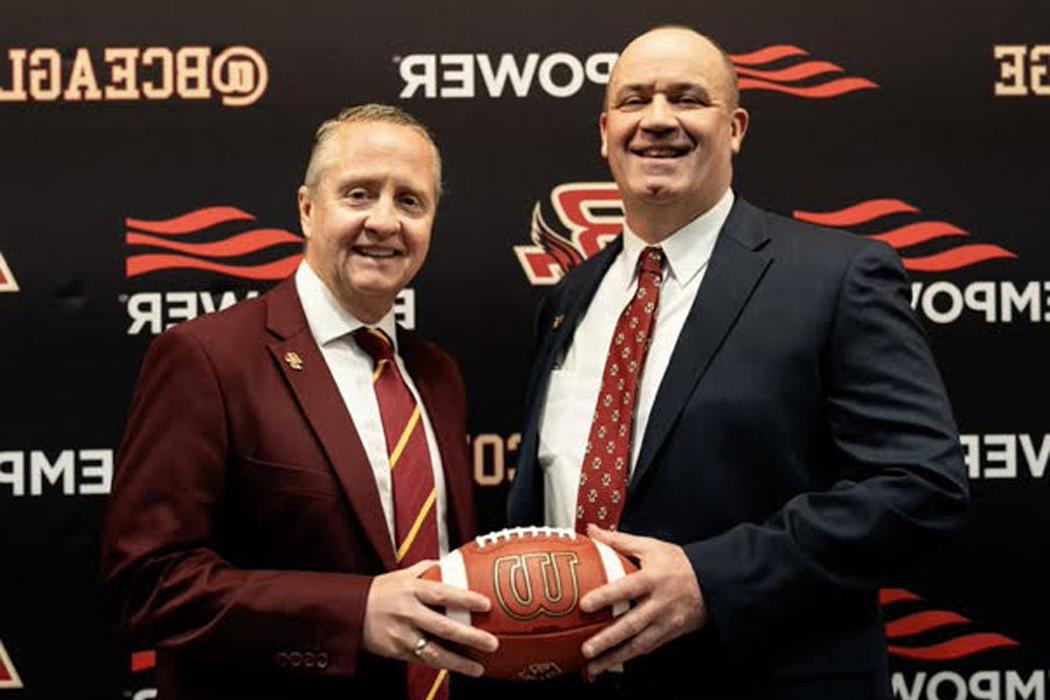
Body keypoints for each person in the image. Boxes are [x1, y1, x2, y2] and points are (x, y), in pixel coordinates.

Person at [507, 26, 968, 699]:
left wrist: (712, 579)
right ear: (606, 131)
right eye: (635, 101)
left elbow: (922, 485)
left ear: (737, 127)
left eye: (688, 99)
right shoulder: (569, 299)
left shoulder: (835, 277)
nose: (658, 119)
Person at [101, 104, 498, 700]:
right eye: (359, 194)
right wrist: (354, 612)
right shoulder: (207, 359)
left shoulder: (438, 376)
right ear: (308, 210)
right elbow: (148, 585)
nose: (385, 221)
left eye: (410, 201)